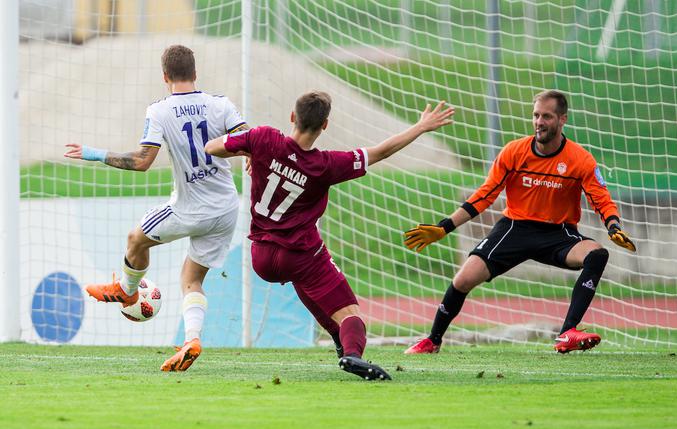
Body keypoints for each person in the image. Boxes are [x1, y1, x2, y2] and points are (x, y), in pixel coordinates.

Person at [205, 91, 454, 380]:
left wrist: (248, 150)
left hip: (260, 255)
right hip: (298, 255)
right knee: (351, 314)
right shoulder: (326, 165)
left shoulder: (262, 138)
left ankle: (340, 344)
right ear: (325, 126)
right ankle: (351, 355)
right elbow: (381, 151)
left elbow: (213, 147)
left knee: (310, 288)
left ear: (292, 117)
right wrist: (420, 126)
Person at [403, 90, 636, 354]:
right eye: (536, 115)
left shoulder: (580, 159)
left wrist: (613, 226)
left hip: (558, 233)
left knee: (597, 255)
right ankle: (432, 340)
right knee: (463, 280)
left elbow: (601, 199)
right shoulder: (514, 151)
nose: (539, 121)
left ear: (562, 120)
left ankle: (567, 333)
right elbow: (484, 196)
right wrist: (445, 226)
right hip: (514, 228)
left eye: (546, 116)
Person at [64, 45, 248, 371]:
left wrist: (93, 153)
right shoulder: (221, 104)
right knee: (192, 279)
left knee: (136, 239)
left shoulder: (160, 110)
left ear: (164, 76)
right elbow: (249, 140)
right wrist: (251, 159)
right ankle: (192, 338)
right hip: (226, 209)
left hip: (190, 207)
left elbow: (142, 162)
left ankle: (128, 291)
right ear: (196, 73)